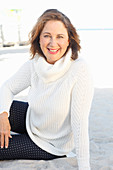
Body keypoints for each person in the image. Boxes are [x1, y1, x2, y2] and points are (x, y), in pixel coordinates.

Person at [0, 9, 94, 170]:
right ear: (39, 38)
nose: (52, 43)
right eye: (47, 35)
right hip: (32, 119)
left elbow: (80, 123)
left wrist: (84, 167)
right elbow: (7, 87)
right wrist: (3, 116)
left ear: (69, 40)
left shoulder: (79, 69)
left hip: (50, 144)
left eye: (60, 37)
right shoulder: (35, 64)